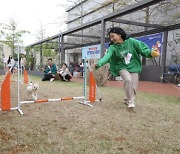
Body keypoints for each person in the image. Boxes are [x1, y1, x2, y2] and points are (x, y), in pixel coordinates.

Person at [95, 27, 160, 108]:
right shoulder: (113, 47)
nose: (111, 39)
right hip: (121, 66)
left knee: (134, 86)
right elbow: (107, 57)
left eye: (113, 36)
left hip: (134, 66)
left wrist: (151, 53)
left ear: (119, 34)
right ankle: (131, 101)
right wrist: (98, 64)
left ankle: (127, 98)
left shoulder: (132, 42)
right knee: (128, 80)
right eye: (110, 37)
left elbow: (143, 49)